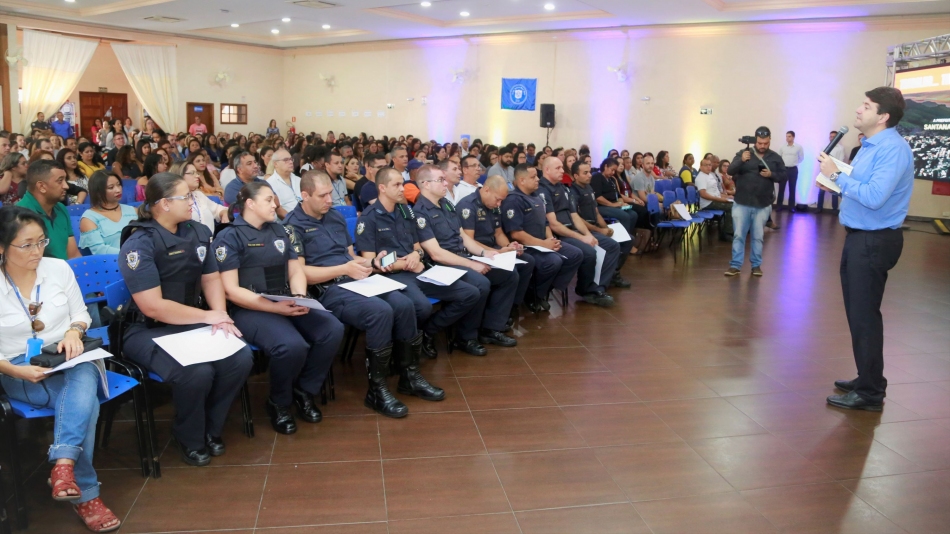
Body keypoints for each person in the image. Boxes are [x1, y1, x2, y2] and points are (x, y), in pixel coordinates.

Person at [118, 173, 254, 466]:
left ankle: (211, 427)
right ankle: (189, 435)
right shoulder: (139, 243)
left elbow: (211, 278)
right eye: (186, 197)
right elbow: (153, 307)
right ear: (164, 204)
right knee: (197, 372)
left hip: (192, 321)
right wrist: (208, 315)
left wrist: (221, 317)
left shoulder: (197, 231)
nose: (193, 201)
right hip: (148, 329)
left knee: (240, 357)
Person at [0, 206, 122, 532]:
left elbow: (80, 314)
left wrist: (73, 332)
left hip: (68, 356)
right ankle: (83, 491)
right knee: (86, 403)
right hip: (16, 368)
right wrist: (16, 372)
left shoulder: (58, 268)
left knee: (83, 371)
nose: (37, 251)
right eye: (26, 245)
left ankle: (65, 467)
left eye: (41, 241)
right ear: (2, 247)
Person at [285, 171, 439, 417]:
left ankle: (409, 376)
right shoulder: (292, 225)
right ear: (305, 195)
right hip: (327, 288)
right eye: (322, 196)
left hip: (354, 279)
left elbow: (350, 256)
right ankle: (377, 390)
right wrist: (344, 269)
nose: (330, 200)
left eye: (330, 194)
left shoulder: (334, 216)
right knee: (380, 311)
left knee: (403, 303)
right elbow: (300, 273)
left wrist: (372, 262)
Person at [214, 181, 342, 434]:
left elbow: (295, 270)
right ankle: (279, 402)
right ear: (250, 204)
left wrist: (299, 296)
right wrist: (276, 309)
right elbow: (231, 290)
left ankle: (304, 390)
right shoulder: (229, 236)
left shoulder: (280, 230)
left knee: (332, 329)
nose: (275, 204)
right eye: (269, 200)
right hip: (249, 308)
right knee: (291, 345)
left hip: (285, 299)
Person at [820, 87, 915, 412]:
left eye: (867, 106)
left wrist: (837, 176)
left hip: (874, 241)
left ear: (883, 116)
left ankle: (871, 393)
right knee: (858, 314)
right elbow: (861, 188)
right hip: (860, 237)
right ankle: (868, 378)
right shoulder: (870, 146)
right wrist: (834, 182)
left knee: (864, 317)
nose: (859, 110)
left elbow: (874, 197)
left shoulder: (892, 150)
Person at [355, 167, 481, 361]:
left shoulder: (406, 211)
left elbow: (418, 247)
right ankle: (407, 350)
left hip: (415, 270)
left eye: (402, 184)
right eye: (397, 185)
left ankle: (429, 330)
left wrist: (416, 254)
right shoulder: (368, 218)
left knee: (470, 293)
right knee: (422, 306)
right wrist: (406, 262)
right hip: (392, 275)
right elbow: (371, 262)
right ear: (382, 188)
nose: (403, 188)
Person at [412, 164, 519, 353]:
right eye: (440, 180)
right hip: (441, 264)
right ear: (426, 184)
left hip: (461, 257)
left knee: (509, 274)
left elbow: (462, 236)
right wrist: (471, 264)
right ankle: (463, 336)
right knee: (481, 284)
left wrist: (484, 253)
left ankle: (491, 328)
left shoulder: (446, 204)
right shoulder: (420, 212)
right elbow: (436, 253)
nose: (446, 183)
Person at [538, 157, 620, 306]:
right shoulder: (543, 190)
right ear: (547, 170)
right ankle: (586, 290)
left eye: (562, 167)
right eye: (558, 168)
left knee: (612, 245)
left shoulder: (563, 188)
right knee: (589, 252)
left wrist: (588, 234)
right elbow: (553, 224)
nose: (563, 171)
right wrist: (582, 238)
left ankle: (598, 288)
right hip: (560, 233)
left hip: (573, 230)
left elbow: (575, 216)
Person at [501, 164, 583, 312]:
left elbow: (545, 224)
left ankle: (543, 290)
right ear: (522, 180)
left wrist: (551, 240)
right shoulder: (514, 200)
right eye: (533, 177)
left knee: (575, 254)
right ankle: (532, 295)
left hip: (543, 243)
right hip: (527, 246)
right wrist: (544, 244)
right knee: (553, 262)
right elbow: (516, 234)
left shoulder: (536, 197)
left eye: (537, 176)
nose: (538, 179)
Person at [456, 175, 534, 320]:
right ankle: (494, 319)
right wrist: (498, 252)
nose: (499, 204)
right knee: (510, 273)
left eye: (501, 201)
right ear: (486, 190)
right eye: (497, 199)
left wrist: (509, 246)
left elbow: (498, 233)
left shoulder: (494, 207)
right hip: (476, 253)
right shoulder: (467, 205)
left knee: (528, 261)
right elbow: (469, 240)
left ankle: (511, 307)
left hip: (493, 249)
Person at [725, 126, 785, 277]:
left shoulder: (775, 157)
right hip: (742, 202)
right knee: (739, 235)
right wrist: (741, 160)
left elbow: (784, 176)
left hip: (762, 204)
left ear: (770, 140)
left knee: (758, 237)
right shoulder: (743, 153)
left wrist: (771, 174)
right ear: (755, 141)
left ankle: (756, 266)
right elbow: (730, 171)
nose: (762, 146)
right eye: (759, 143)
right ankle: (735, 265)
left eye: (765, 143)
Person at [571, 161, 634, 285]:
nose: (590, 175)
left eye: (589, 172)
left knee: (629, 240)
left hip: (596, 227)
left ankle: (614, 272)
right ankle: (603, 282)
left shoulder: (589, 188)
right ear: (576, 176)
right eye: (585, 173)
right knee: (612, 245)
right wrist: (600, 230)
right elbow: (577, 219)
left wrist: (606, 229)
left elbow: (597, 213)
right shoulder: (573, 192)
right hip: (584, 230)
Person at [17, 160, 80, 260]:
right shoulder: (19, 215)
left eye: (65, 180)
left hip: (65, 268)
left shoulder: (61, 208)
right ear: (41, 187)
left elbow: (74, 255)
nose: (66, 186)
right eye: (60, 181)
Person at [79, 170, 137, 255]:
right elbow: (99, 250)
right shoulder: (89, 219)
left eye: (118, 185)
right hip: (112, 262)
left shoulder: (133, 211)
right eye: (111, 187)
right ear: (98, 192)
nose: (118, 190)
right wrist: (133, 255)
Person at [590, 157, 640, 256]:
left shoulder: (612, 179)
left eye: (614, 171)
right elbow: (598, 197)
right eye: (612, 170)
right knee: (624, 216)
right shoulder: (597, 177)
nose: (613, 173)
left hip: (614, 205)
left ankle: (628, 240)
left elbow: (618, 195)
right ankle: (623, 245)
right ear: (605, 166)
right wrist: (613, 204)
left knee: (633, 214)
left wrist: (622, 203)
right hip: (602, 206)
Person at [171, 161, 229, 234]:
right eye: (192, 173)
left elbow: (218, 209)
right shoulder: (174, 201)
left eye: (197, 173)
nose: (197, 176)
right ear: (179, 175)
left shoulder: (198, 195)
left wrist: (224, 213)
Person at [694, 158, 734, 241]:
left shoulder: (710, 175)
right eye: (706, 165)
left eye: (710, 165)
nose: (708, 167)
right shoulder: (701, 177)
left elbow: (716, 192)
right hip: (708, 203)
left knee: (734, 203)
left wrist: (726, 197)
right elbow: (703, 195)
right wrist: (720, 199)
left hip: (714, 200)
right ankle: (727, 233)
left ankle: (732, 229)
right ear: (701, 167)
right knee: (731, 207)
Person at [266, 148, 301, 219]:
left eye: (291, 159)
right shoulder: (270, 184)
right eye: (286, 160)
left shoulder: (299, 180)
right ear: (275, 164)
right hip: (288, 221)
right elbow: (278, 210)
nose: (290, 162)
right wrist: (295, 221)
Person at [817, 130, 846, 213]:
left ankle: (834, 209)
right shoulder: (824, 147)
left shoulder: (840, 148)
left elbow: (841, 160)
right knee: (821, 190)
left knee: (834, 189)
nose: (832, 138)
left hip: (834, 171)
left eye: (834, 136)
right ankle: (819, 208)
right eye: (831, 136)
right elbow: (821, 158)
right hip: (824, 171)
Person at [775, 130, 804, 211]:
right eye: (786, 136)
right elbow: (779, 158)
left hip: (793, 170)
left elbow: (801, 158)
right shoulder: (782, 147)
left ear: (793, 137)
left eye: (789, 136)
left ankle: (791, 207)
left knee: (792, 189)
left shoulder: (798, 147)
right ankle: (779, 206)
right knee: (781, 188)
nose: (787, 138)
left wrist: (794, 163)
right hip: (784, 170)